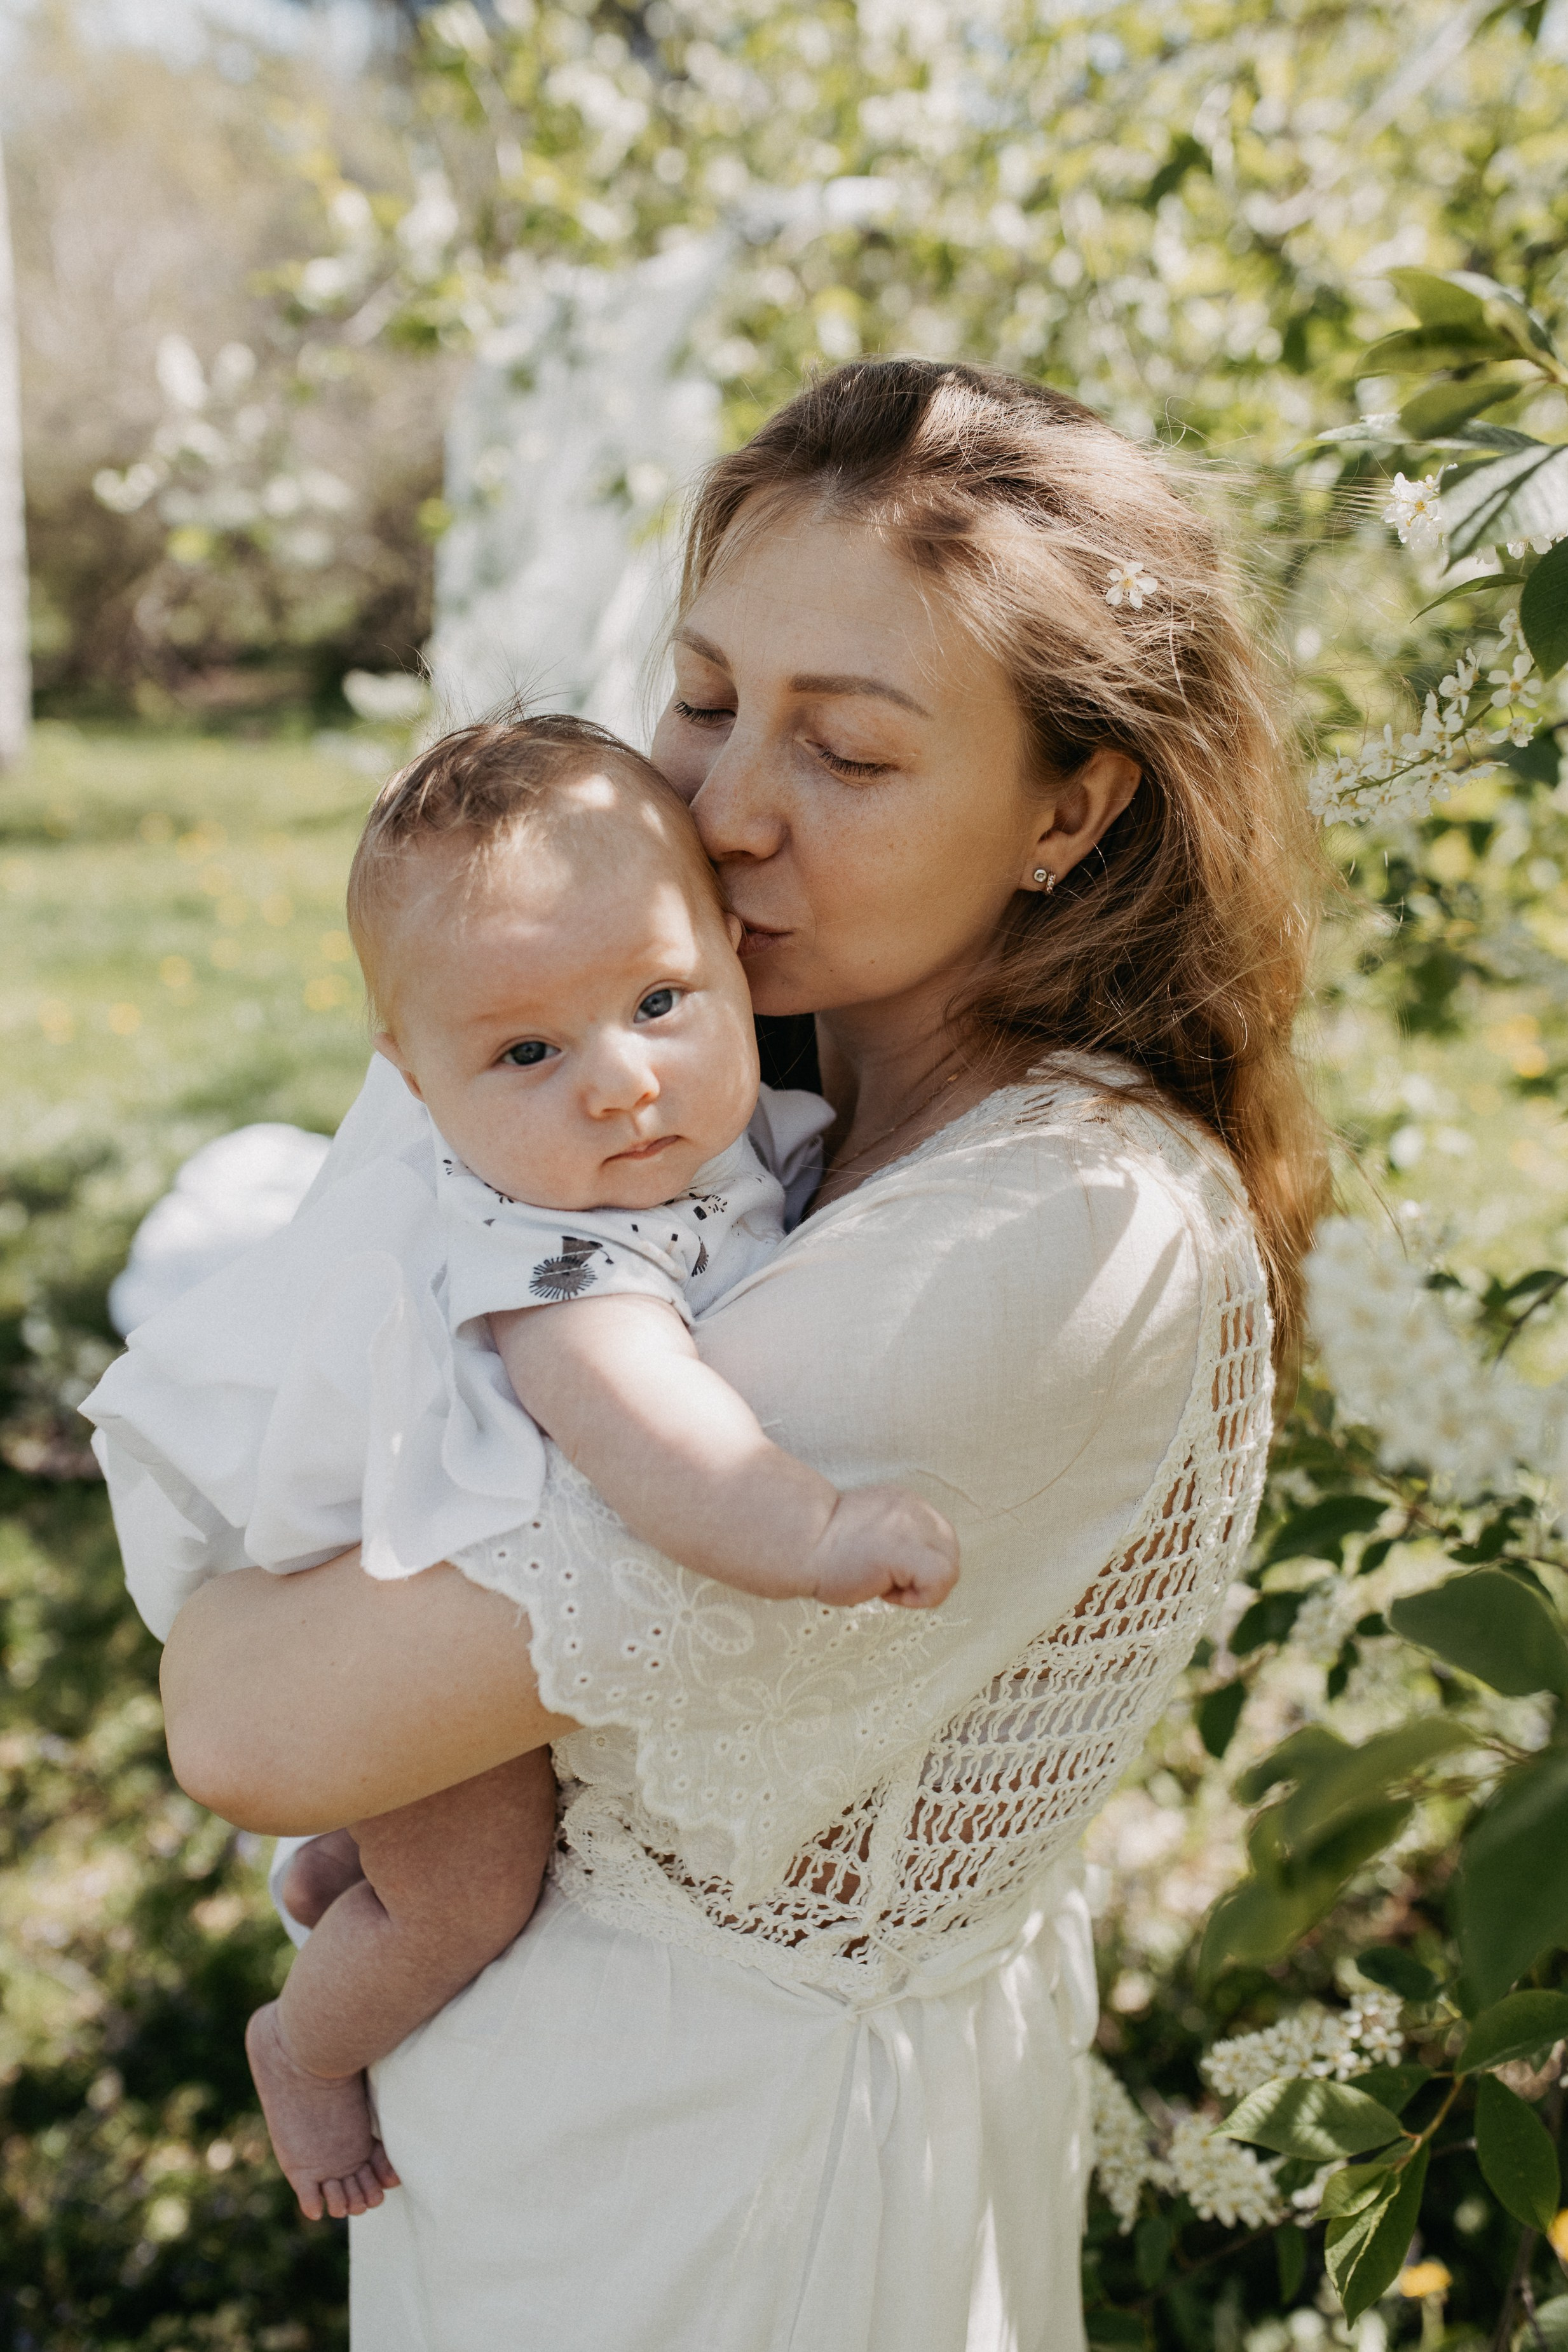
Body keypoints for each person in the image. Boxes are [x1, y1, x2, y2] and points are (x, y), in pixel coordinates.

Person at [153, 359, 1327, 2352]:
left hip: (711, 2204)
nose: (721, 807)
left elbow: (254, 1727)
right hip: (560, 2140)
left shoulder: (1050, 1233)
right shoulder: (743, 1103)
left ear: (1072, 806)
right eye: (701, 700)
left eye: (847, 754)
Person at [85, 712, 958, 2222]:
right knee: (470, 1887)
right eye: (529, 1050)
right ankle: (302, 2038)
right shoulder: (557, 1260)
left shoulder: (689, 1135)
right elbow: (658, 1446)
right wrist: (814, 1530)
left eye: (661, 996)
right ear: (416, 1081)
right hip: (403, 1589)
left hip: (440, 1591)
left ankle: (340, 1861)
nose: (620, 1081)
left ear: (729, 956)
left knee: (430, 1841)